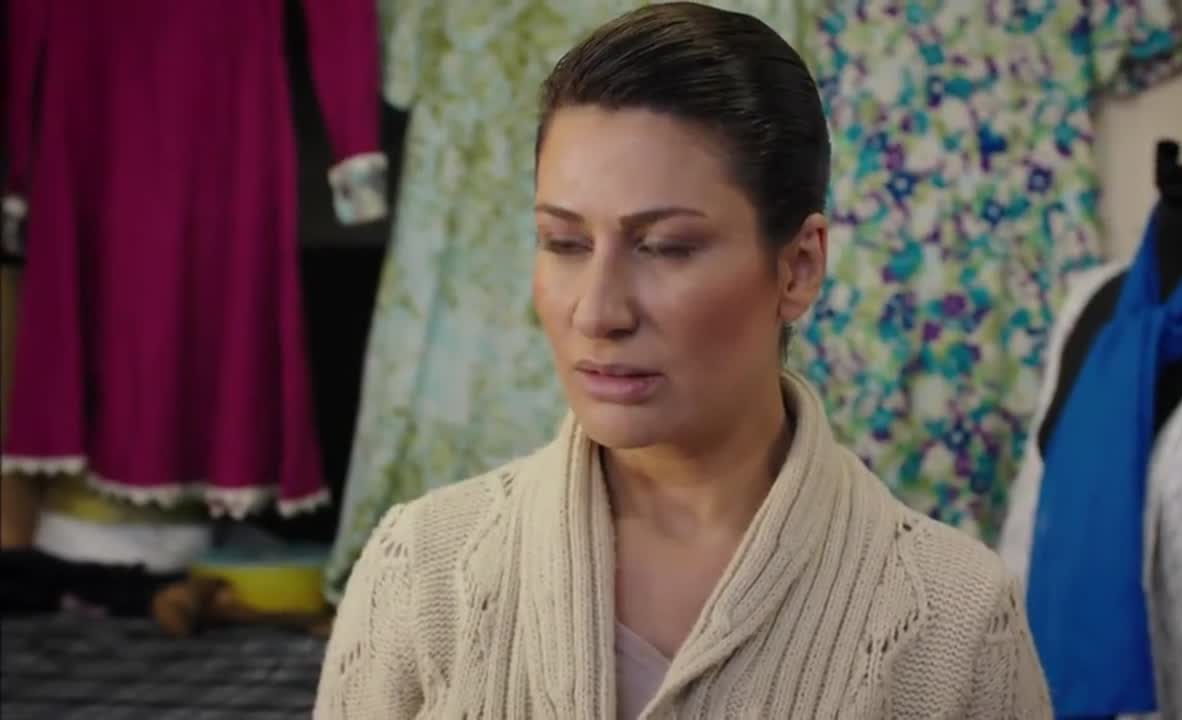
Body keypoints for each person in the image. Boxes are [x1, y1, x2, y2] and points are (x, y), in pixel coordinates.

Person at [315, 4, 1050, 718]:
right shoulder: (422, 571)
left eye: (666, 247)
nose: (598, 312)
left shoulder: (957, 621)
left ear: (798, 267)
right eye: (564, 244)